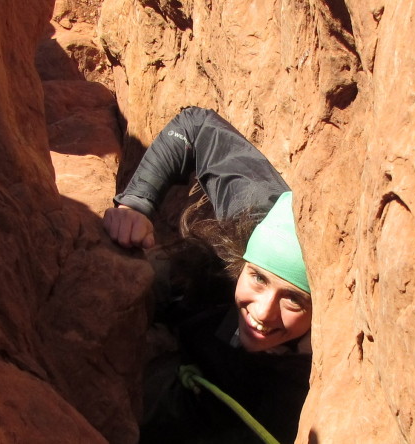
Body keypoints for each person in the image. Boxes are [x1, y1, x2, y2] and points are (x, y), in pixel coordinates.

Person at [103, 106, 311, 443]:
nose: (262, 312)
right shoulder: (261, 216)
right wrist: (136, 204)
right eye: (258, 277)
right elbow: (196, 127)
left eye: (294, 299)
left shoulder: (323, 365)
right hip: (196, 342)